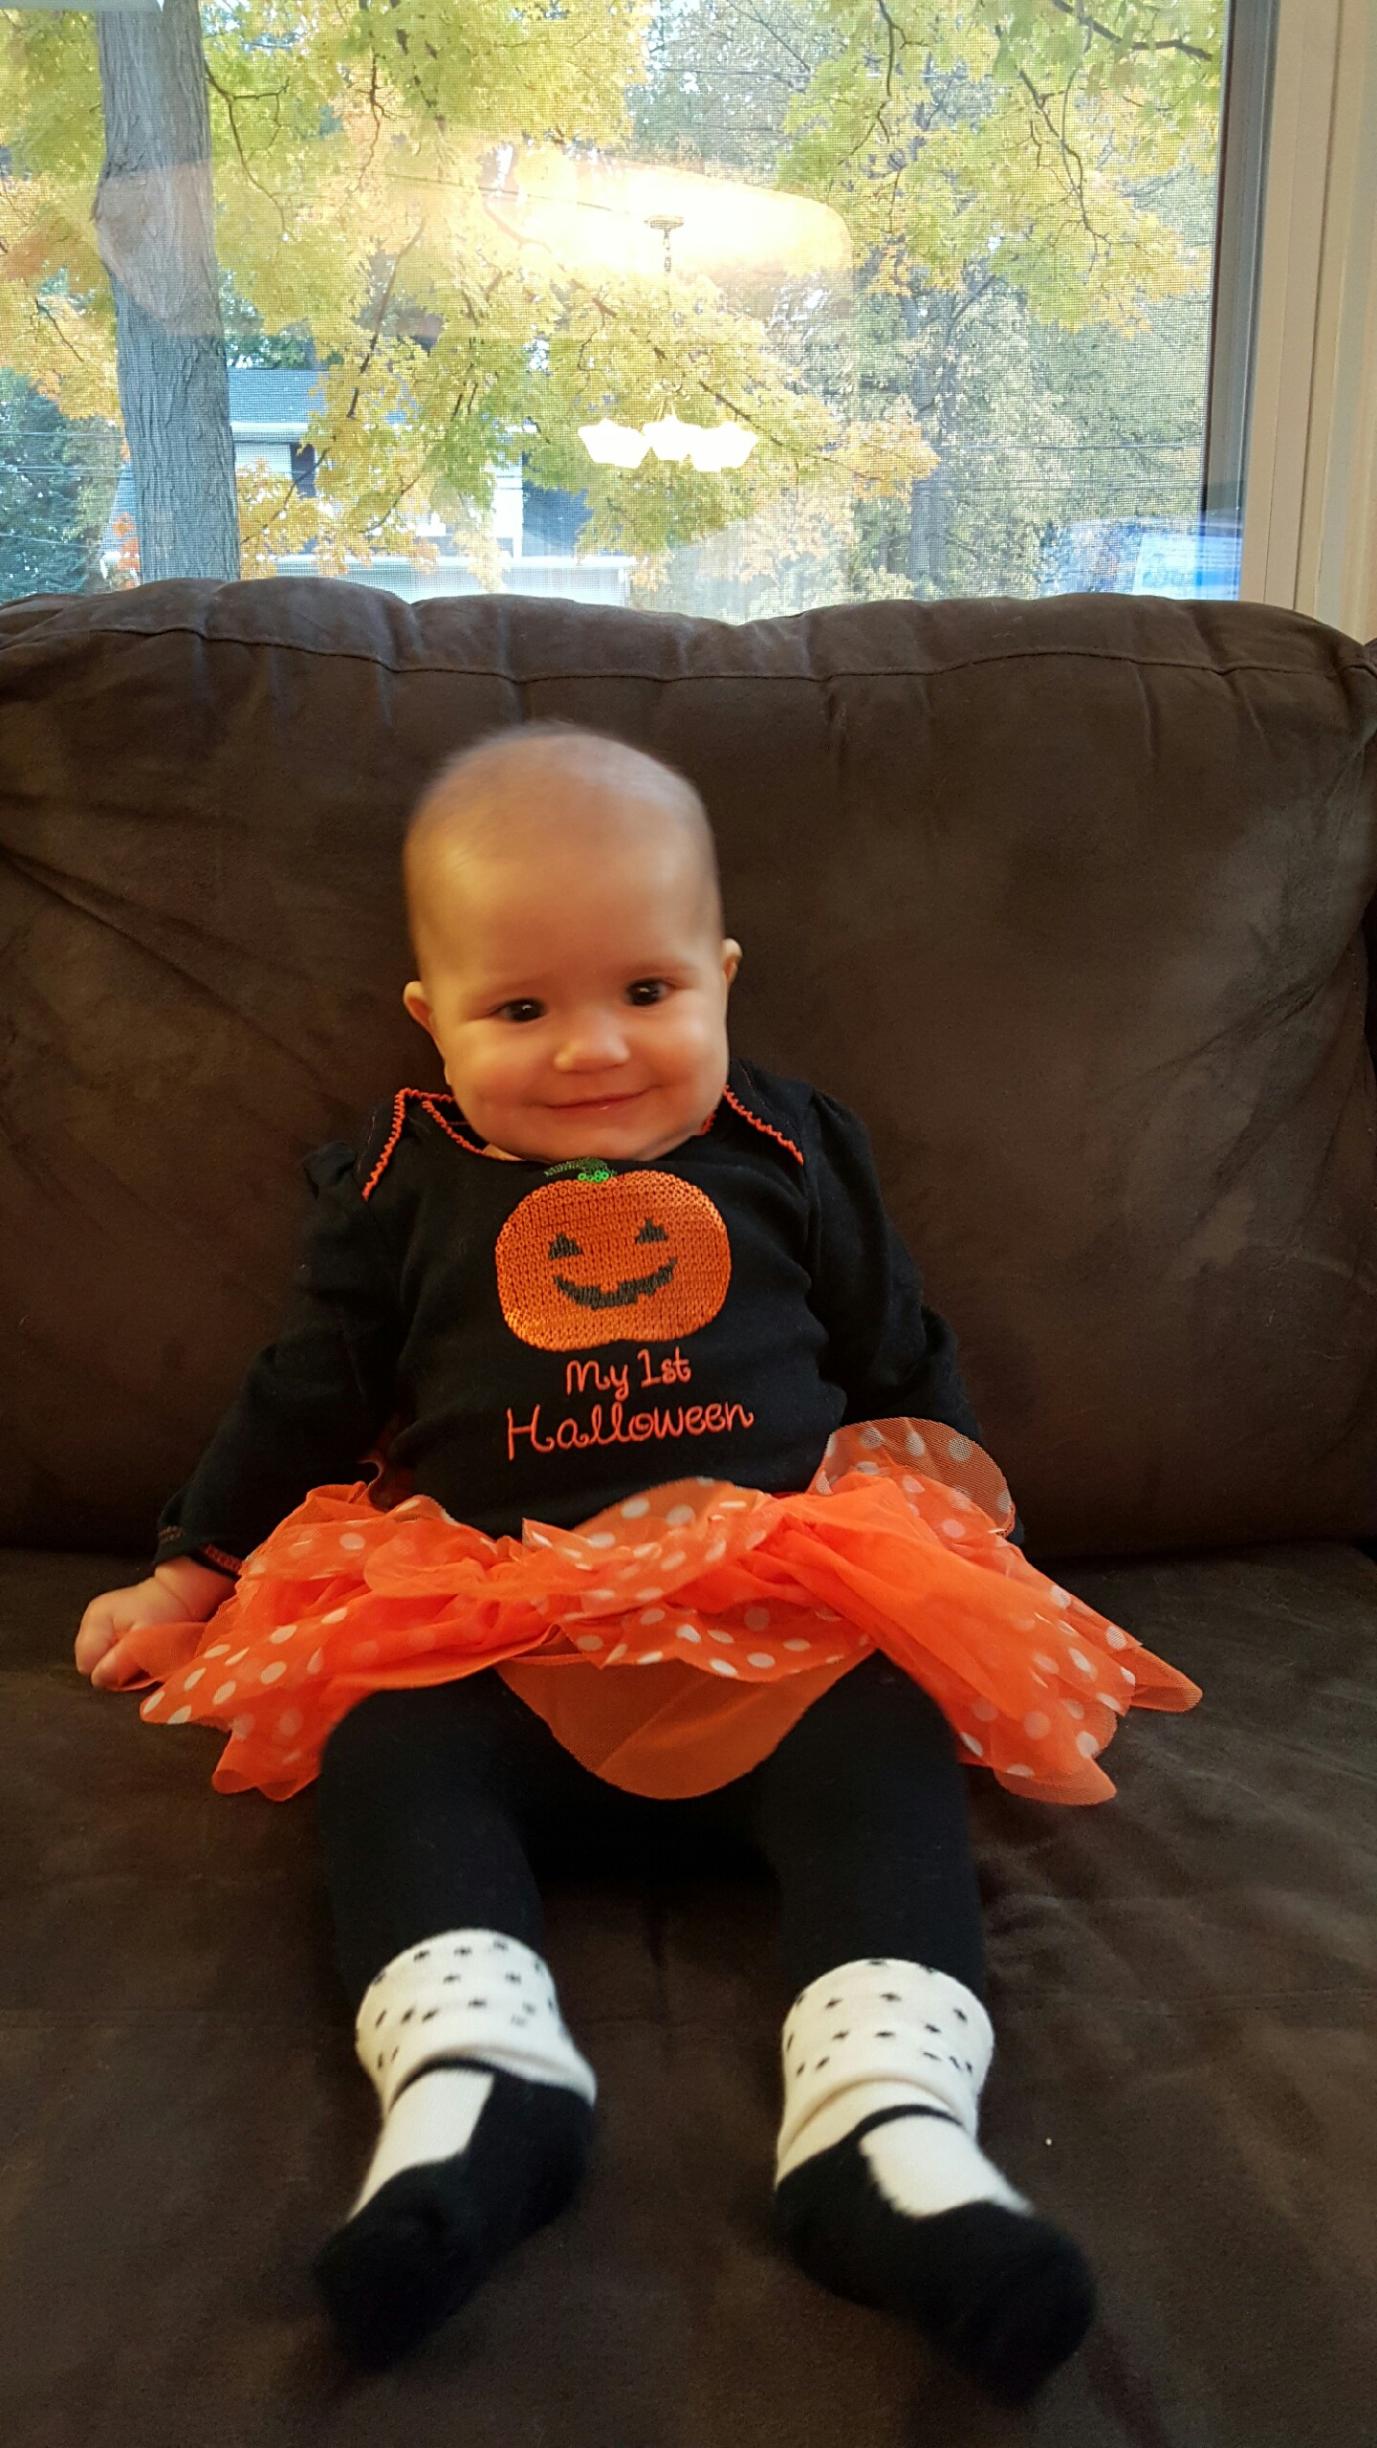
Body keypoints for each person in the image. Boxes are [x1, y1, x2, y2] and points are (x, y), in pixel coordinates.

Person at [74, 724, 1199, 2400]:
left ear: (722, 976)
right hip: (494, 1623)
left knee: (884, 1747)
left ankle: (884, 2128)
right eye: (520, 1009)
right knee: (388, 1756)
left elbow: (894, 1352)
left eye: (648, 991)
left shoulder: (788, 1147)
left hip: (775, 1607)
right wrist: (189, 1567)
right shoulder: (399, 1182)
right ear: (431, 1018)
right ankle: (475, 2081)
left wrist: (975, 1539)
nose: (592, 1049)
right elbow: (304, 1395)